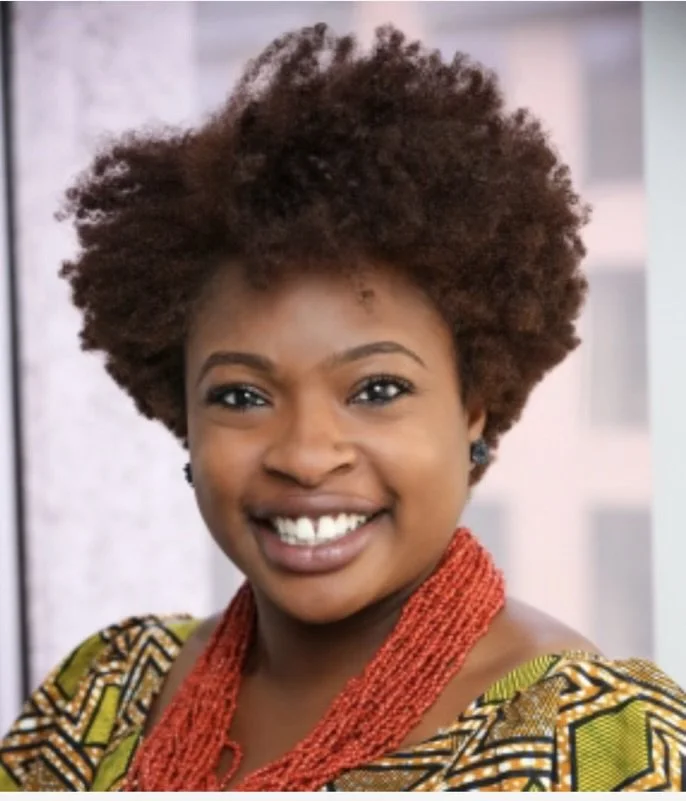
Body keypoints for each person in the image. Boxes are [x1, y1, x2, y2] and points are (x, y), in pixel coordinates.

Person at [1, 22, 685, 792]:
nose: (305, 452)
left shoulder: (598, 743)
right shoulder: (98, 695)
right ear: (181, 414)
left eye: (377, 389)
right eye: (241, 395)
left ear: (474, 409)